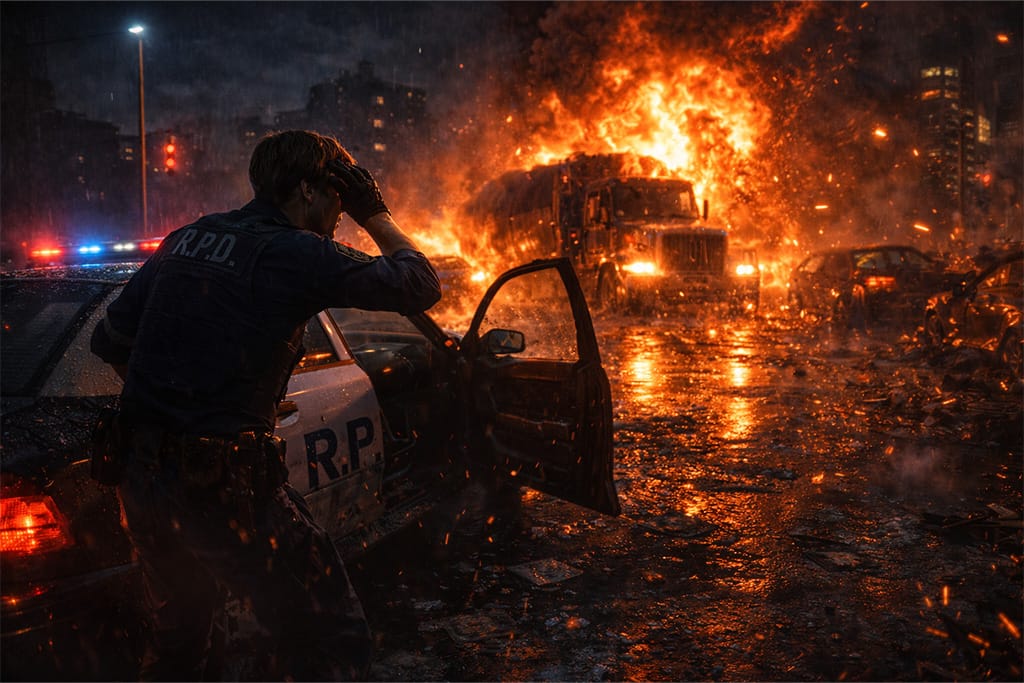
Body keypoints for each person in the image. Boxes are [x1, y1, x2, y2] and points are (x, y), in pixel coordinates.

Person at [90, 129, 441, 681]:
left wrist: (184, 400)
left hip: (141, 479)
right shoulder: (293, 251)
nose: (339, 218)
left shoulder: (187, 237)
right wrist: (375, 210)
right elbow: (418, 283)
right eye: (338, 200)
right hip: (220, 485)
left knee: (181, 643)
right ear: (306, 191)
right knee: (327, 636)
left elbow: (109, 341)